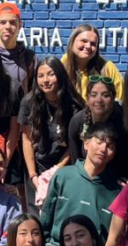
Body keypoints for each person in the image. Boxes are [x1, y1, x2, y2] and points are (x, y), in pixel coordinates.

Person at [41, 123, 121, 246]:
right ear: (86, 143)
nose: (103, 149)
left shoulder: (117, 190)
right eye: (99, 142)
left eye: (110, 146)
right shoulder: (63, 176)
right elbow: (45, 218)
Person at [19, 57, 83, 211]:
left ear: (60, 75)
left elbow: (74, 144)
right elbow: (27, 139)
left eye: (50, 74)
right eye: (40, 76)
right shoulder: (29, 102)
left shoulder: (74, 105)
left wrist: (56, 170)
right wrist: (33, 175)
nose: (45, 80)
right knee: (36, 219)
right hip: (36, 168)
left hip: (64, 169)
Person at [65, 74, 128, 174]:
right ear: (87, 97)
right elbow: (75, 162)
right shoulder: (77, 121)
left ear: (113, 97)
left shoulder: (125, 123)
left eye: (105, 95)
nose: (99, 100)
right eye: (94, 95)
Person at [60, 24, 124, 100]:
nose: (88, 46)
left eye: (93, 44)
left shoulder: (107, 68)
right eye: (84, 41)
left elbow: (120, 99)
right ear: (72, 42)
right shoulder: (62, 66)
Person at [0, 2, 37, 94]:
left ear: (20, 25)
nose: (8, 26)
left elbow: (36, 94)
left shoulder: (29, 58)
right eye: (3, 22)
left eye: (12, 22)